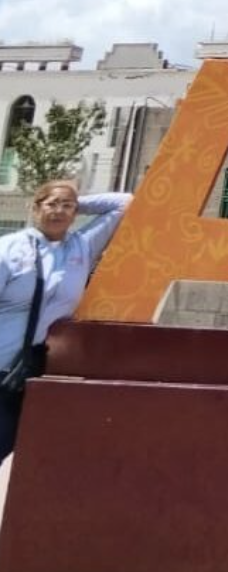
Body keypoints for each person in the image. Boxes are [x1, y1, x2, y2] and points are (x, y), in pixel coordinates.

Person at [0, 181, 131, 460]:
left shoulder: (82, 247)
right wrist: (64, 201)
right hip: (1, 363)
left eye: (66, 206)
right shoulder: (9, 249)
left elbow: (125, 202)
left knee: (14, 444)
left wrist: (76, 201)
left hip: (35, 369)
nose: (58, 211)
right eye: (51, 204)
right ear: (35, 208)